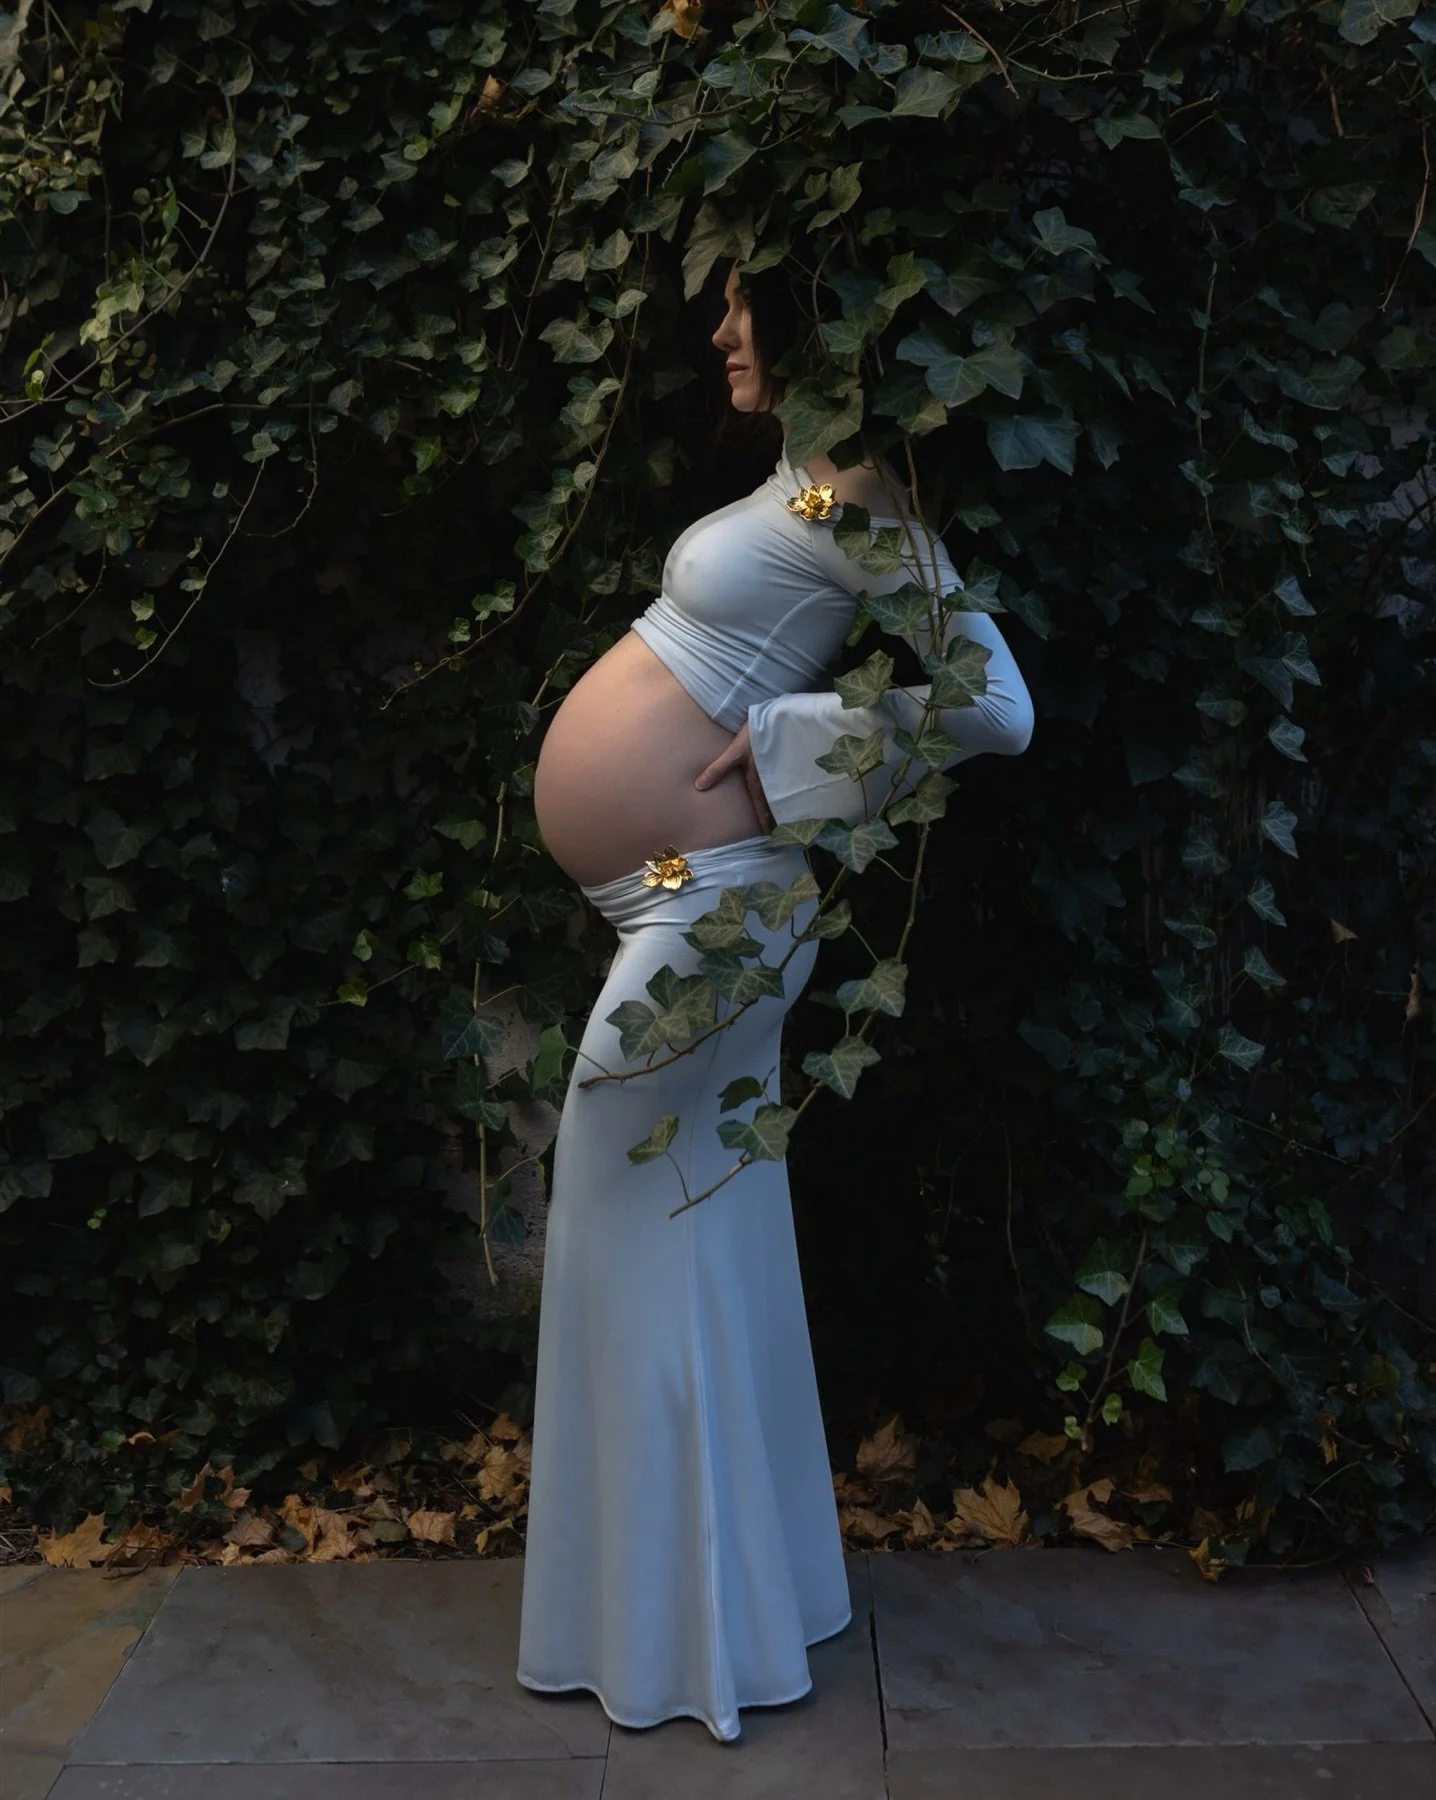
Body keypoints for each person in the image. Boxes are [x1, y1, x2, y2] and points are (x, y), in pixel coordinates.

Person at [517, 261, 1034, 1742]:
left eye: (750, 306)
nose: (722, 330)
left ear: (830, 321)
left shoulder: (846, 493)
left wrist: (791, 743)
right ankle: (727, 1611)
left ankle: (688, 1642)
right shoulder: (801, 490)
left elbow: (995, 702)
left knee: (639, 1225)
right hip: (679, 894)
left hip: (717, 904)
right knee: (689, 1237)